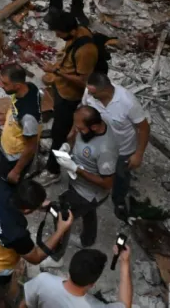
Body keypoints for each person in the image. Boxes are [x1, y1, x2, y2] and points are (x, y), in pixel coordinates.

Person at [0, 179, 72, 302]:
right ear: (27, 210)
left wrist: (36, 203)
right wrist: (60, 230)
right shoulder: (16, 233)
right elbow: (36, 257)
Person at [44, 16, 109, 177]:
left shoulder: (85, 50)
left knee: (60, 135)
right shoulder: (78, 32)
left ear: (71, 31)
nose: (57, 36)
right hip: (62, 91)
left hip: (70, 97)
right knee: (58, 127)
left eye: (59, 33)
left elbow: (83, 81)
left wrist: (56, 71)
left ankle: (53, 170)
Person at [84, 72, 149, 221]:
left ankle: (119, 200)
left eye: (93, 92)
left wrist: (138, 154)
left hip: (123, 149)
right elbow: (85, 111)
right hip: (100, 144)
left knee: (121, 175)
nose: (89, 94)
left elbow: (143, 128)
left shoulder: (128, 102)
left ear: (105, 90)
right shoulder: (90, 94)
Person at [52, 106, 119, 248]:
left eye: (81, 129)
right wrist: (67, 145)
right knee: (89, 213)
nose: (78, 131)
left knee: (61, 216)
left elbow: (107, 184)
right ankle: (87, 241)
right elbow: (75, 135)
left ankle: (57, 252)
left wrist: (76, 169)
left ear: (94, 127)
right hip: (77, 182)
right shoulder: (94, 123)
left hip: (88, 194)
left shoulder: (106, 151)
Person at [23, 247, 132, 308]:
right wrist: (125, 262)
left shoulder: (44, 281)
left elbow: (25, 303)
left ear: (70, 268)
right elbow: (125, 305)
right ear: (91, 284)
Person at [0, 63, 42, 183]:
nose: (1, 86)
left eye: (5, 84)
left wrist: (16, 171)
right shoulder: (30, 87)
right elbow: (15, 107)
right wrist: (7, 117)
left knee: (7, 184)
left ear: (17, 86)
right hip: (7, 148)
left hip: (13, 157)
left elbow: (31, 147)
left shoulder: (28, 117)